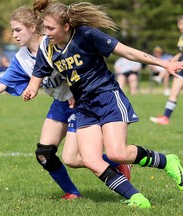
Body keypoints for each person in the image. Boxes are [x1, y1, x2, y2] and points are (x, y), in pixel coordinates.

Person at [23, 0, 183, 208]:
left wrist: (163, 63)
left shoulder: (87, 35)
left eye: (51, 28)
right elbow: (37, 76)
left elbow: (127, 52)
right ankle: (136, 197)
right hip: (84, 106)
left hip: (107, 97)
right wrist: (31, 90)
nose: (47, 32)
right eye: (45, 27)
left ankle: (167, 161)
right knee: (90, 159)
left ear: (66, 26)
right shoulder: (48, 48)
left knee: (118, 153)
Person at [0, 5, 131, 200]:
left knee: (74, 158)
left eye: (18, 30)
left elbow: (78, 66)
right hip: (60, 105)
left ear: (33, 28)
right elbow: (4, 81)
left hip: (81, 104)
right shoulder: (21, 58)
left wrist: (74, 91)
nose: (14, 35)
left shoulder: (54, 42)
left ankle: (116, 163)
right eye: (12, 30)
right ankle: (72, 192)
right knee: (44, 153)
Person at [150, 16, 183, 125]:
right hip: (181, 70)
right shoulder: (181, 37)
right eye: (180, 24)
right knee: (173, 93)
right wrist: (175, 57)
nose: (182, 26)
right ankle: (165, 118)